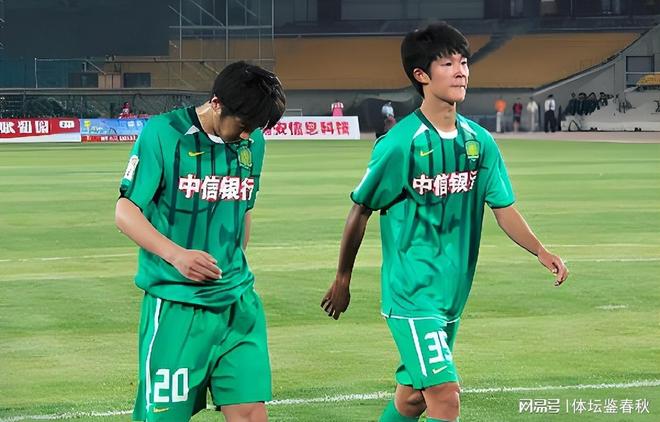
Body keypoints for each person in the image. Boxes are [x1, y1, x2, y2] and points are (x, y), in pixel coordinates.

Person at [320, 22, 568, 422]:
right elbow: (360, 209)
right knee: (445, 398)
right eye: (448, 64)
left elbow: (502, 206)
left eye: (464, 62)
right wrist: (343, 279)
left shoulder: (479, 142)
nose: (461, 72)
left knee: (412, 400)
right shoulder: (400, 144)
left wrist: (540, 250)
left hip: (451, 294)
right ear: (421, 75)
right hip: (412, 293)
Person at [115, 61, 286, 422]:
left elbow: (243, 209)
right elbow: (125, 211)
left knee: (251, 413)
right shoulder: (163, 134)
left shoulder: (253, 143)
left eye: (256, 128)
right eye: (244, 125)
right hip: (177, 305)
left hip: (237, 303)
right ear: (217, 104)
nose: (248, 135)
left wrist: (233, 262)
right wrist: (177, 256)